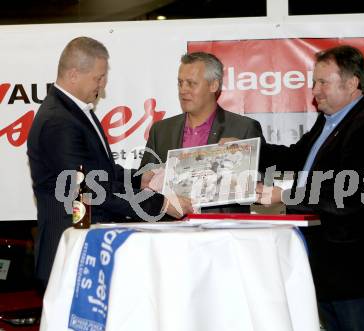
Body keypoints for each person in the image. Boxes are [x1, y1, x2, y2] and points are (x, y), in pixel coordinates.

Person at [255, 45, 364, 331]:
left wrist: (285, 196)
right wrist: (248, 150)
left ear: (351, 84)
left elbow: (350, 192)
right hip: (333, 268)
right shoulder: (329, 122)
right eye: (314, 82)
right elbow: (294, 157)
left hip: (358, 268)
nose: (314, 90)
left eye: (323, 83)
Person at [27, 37, 193, 290]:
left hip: (86, 242)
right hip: (70, 247)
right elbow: (88, 189)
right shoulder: (58, 121)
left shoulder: (72, 111)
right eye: (98, 78)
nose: (103, 85)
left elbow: (98, 169)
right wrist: (160, 204)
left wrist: (139, 178)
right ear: (73, 75)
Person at [139, 51, 264, 213]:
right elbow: (143, 187)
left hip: (222, 232)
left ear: (213, 85)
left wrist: (242, 173)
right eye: (180, 83)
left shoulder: (244, 128)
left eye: (191, 83)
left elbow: (263, 186)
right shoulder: (161, 130)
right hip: (170, 231)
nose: (183, 90)